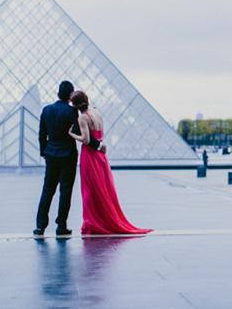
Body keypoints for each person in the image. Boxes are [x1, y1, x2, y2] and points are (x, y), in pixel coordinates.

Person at [69, 90, 152, 235]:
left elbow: (86, 140)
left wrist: (72, 134)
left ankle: (92, 221)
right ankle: (103, 218)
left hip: (89, 157)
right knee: (103, 188)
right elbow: (97, 135)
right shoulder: (96, 112)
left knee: (89, 190)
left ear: (75, 105)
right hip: (101, 156)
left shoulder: (83, 118)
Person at [34, 81, 105, 237]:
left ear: (58, 94)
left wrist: (44, 152)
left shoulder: (46, 110)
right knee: (65, 192)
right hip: (68, 156)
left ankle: (40, 227)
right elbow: (81, 134)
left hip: (51, 155)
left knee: (47, 190)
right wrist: (98, 145)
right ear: (70, 97)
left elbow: (41, 135)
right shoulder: (71, 112)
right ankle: (61, 226)